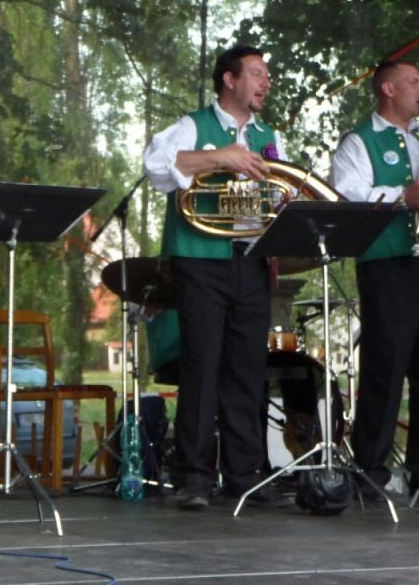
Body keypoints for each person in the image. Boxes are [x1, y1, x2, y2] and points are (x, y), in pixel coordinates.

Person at [143, 44, 292, 510]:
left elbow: (281, 191)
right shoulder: (194, 125)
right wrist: (220, 158)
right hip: (200, 259)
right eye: (256, 74)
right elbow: (156, 165)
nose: (266, 82)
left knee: (247, 370)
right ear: (229, 79)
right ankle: (193, 476)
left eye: (266, 75)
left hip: (250, 260)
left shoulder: (269, 136)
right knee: (202, 366)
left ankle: (245, 475)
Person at [330, 59, 419, 505]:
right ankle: (370, 470)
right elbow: (348, 196)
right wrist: (403, 197)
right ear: (388, 89)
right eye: (414, 82)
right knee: (385, 370)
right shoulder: (358, 141)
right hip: (388, 265)